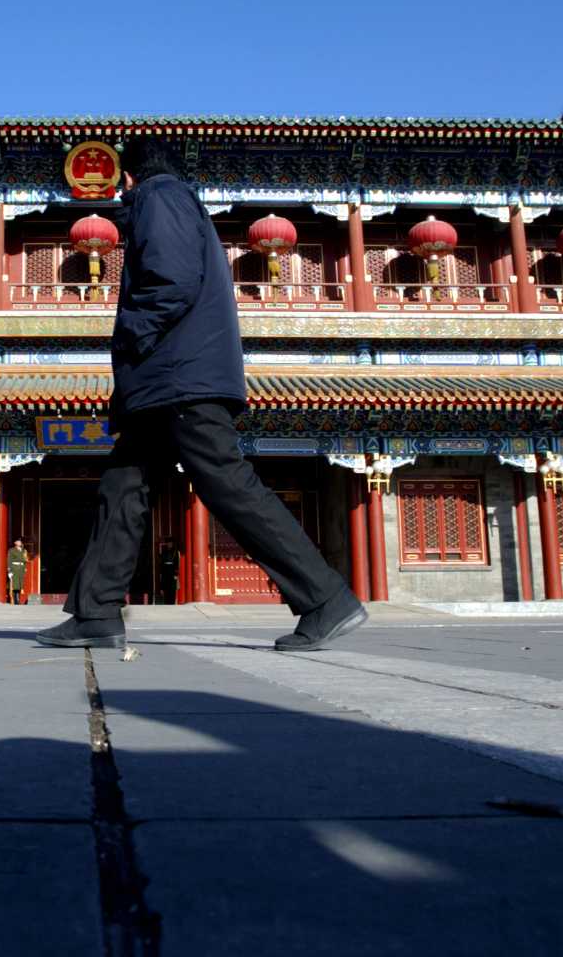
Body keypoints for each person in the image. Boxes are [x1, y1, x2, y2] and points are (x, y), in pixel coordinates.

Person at [37, 140, 368, 652]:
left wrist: (130, 337)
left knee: (227, 483)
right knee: (123, 486)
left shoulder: (160, 197)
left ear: (128, 177)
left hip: (179, 376)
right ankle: (95, 612)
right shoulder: (173, 201)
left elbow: (170, 280)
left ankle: (325, 598)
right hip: (166, 380)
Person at [6, 537, 29, 604]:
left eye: (20, 542)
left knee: (20, 584)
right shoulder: (12, 550)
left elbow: (25, 560)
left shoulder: (24, 550)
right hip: (14, 568)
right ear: (15, 543)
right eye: (18, 541)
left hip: (21, 568)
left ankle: (18, 599)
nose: (19, 543)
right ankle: (15, 599)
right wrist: (9, 571)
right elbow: (9, 560)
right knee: (14, 584)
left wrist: (24, 568)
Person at [157, 541, 179, 605]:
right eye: (168, 543)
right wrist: (161, 571)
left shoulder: (175, 552)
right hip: (165, 570)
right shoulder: (164, 552)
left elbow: (176, 563)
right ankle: (166, 601)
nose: (169, 545)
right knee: (165, 586)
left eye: (170, 543)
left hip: (172, 571)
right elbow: (161, 562)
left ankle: (172, 601)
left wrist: (176, 573)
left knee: (172, 587)